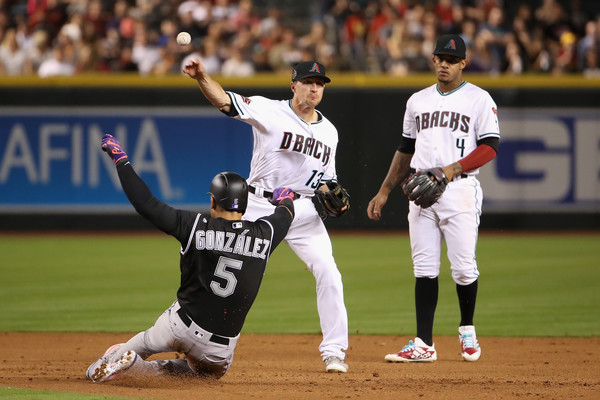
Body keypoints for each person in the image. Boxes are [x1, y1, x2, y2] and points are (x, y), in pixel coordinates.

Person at [182, 60, 350, 373]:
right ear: (293, 85)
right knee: (229, 273)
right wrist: (203, 77)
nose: (314, 88)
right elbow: (223, 101)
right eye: (308, 82)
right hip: (261, 206)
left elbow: (329, 180)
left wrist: (333, 196)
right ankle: (200, 340)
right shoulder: (268, 110)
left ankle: (334, 351)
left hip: (305, 212)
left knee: (329, 272)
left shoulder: (330, 132)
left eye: (320, 83)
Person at [86, 134, 296, 382]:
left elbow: (146, 204)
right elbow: (286, 212)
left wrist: (120, 159)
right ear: (245, 206)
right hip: (218, 351)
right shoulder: (266, 233)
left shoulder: (195, 225)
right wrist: (285, 198)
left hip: (178, 327)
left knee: (145, 341)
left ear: (213, 200)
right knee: (204, 376)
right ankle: (147, 371)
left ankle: (114, 360)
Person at [367, 34, 500, 363]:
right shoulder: (417, 101)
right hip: (421, 187)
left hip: (459, 189)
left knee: (464, 268)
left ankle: (467, 328)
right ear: (432, 59)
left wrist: (451, 169)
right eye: (440, 57)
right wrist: (384, 191)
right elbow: (405, 150)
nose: (444, 63)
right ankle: (423, 343)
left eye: (451, 60)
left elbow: (489, 147)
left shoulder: (479, 99)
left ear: (463, 63)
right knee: (424, 268)